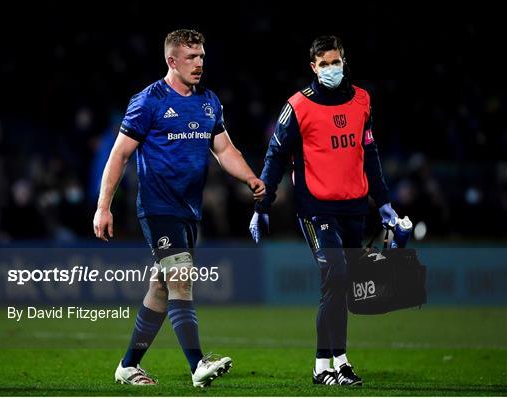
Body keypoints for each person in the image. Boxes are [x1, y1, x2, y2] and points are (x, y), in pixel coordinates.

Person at [93, 29, 265, 387]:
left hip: (189, 210)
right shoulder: (148, 101)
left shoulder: (209, 101)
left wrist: (250, 178)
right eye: (191, 57)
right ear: (171, 61)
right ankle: (197, 365)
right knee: (181, 280)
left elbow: (225, 150)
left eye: (202, 56)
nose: (199, 63)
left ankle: (128, 366)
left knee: (160, 287)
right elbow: (119, 155)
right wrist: (103, 207)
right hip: (158, 208)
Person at [249, 35, 398, 386]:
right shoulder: (298, 106)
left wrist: (385, 202)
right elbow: (275, 156)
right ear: (313, 67)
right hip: (316, 209)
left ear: (344, 61)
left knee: (339, 284)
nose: (331, 68)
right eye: (324, 63)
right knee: (336, 274)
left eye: (336, 61)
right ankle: (328, 364)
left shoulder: (362, 100)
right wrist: (262, 205)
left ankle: (332, 365)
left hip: (354, 207)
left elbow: (370, 155)